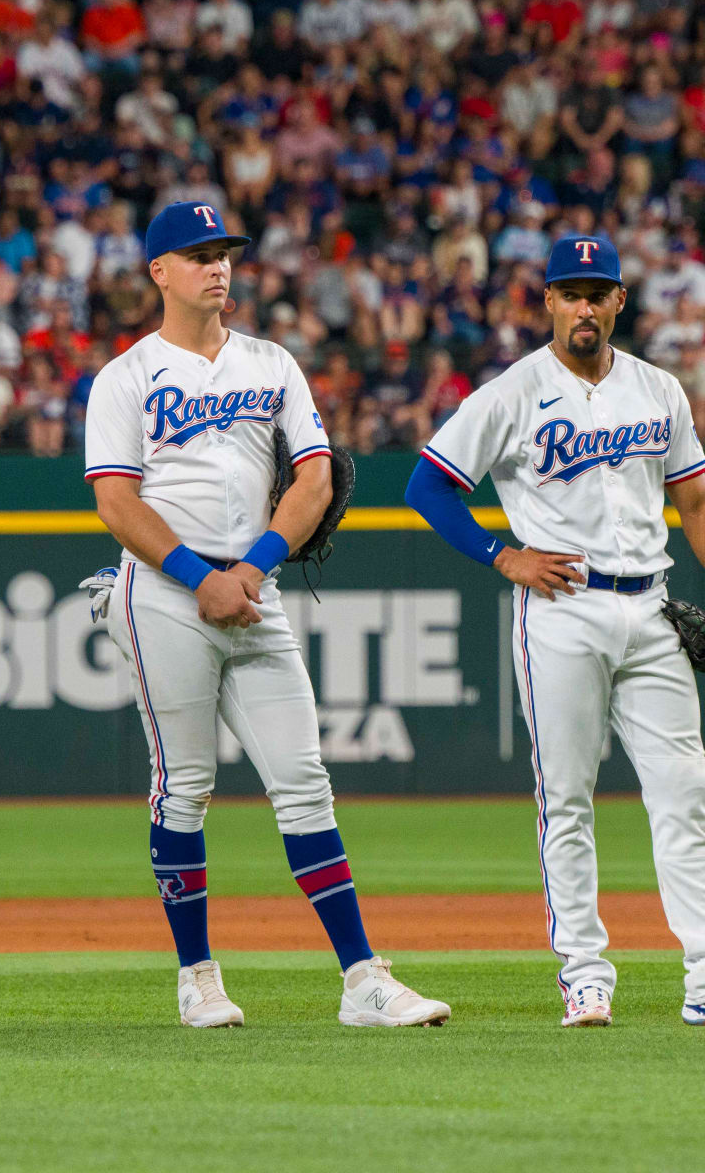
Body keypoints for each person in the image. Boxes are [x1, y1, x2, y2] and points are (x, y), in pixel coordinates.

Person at [83, 201, 451, 1029]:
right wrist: (194, 573)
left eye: (225, 253)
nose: (218, 266)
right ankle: (198, 978)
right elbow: (114, 500)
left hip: (254, 591)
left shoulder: (272, 362)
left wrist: (251, 568)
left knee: (304, 784)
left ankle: (363, 980)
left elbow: (316, 479)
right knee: (184, 786)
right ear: (159, 272)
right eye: (198, 253)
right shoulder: (126, 376)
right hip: (164, 593)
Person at [405, 234, 705, 1028]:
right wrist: (503, 555)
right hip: (563, 612)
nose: (582, 306)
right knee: (566, 799)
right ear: (547, 302)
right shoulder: (511, 393)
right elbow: (428, 486)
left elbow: (696, 502)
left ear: (617, 303)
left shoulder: (657, 389)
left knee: (686, 795)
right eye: (567, 292)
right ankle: (584, 973)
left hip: (653, 607)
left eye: (595, 292)